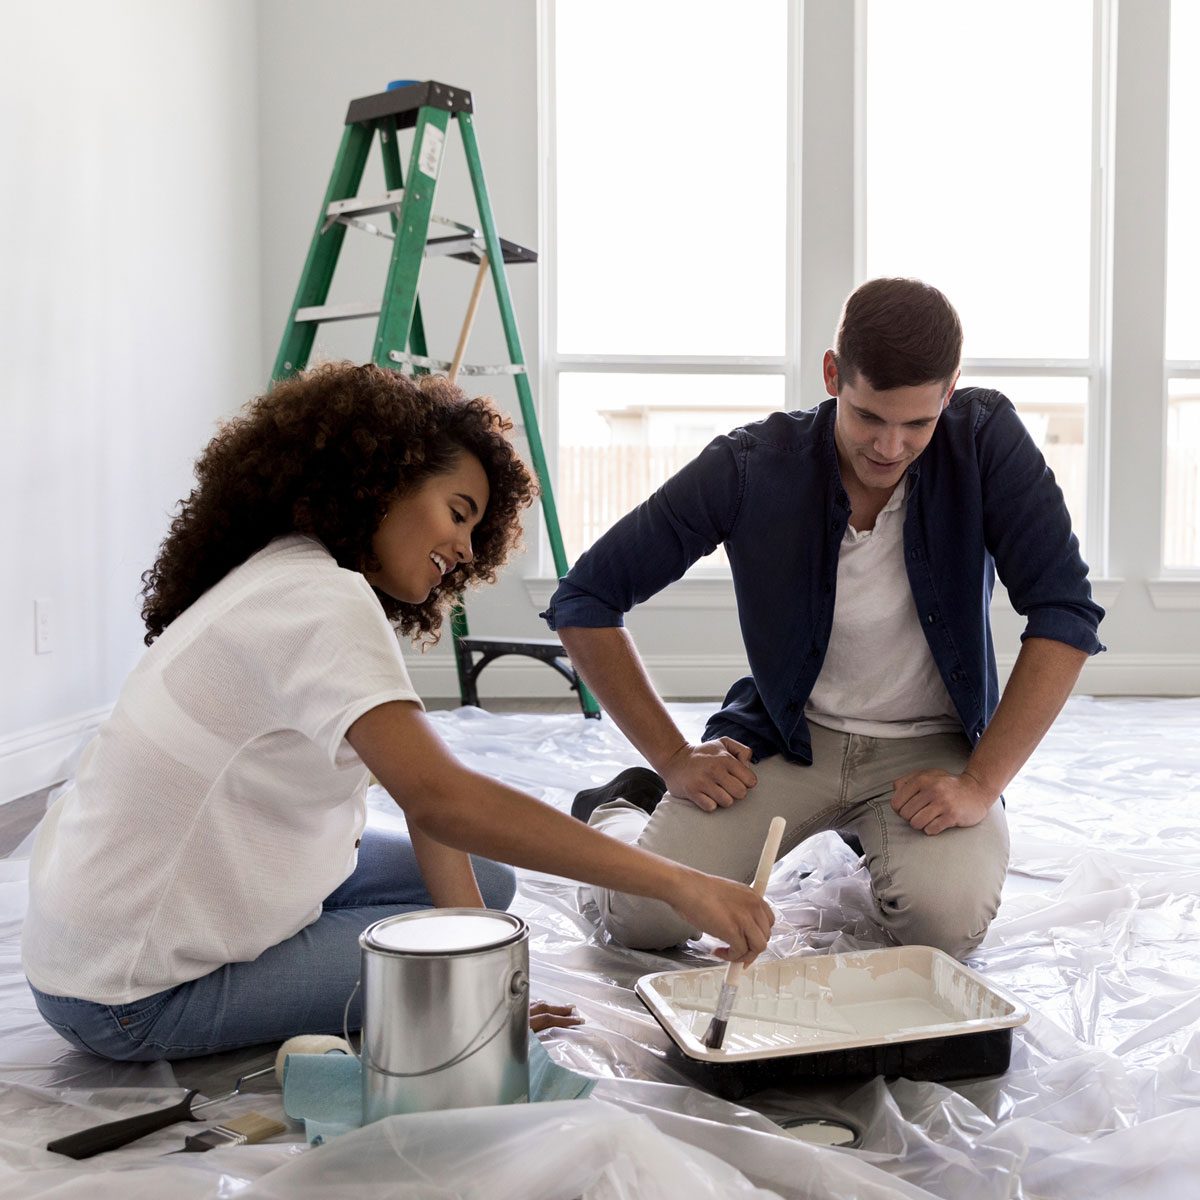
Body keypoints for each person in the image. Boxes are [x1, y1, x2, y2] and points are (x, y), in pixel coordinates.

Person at [21, 362, 773, 1062]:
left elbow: (429, 806)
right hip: (127, 993)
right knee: (448, 963)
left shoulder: (291, 572)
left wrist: (481, 974)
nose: (465, 546)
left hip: (109, 930)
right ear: (380, 480)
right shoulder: (321, 599)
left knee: (491, 891)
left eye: (477, 529)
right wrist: (678, 882)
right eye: (457, 511)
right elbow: (442, 799)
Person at [542, 278, 1105, 961]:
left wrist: (981, 784)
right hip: (786, 742)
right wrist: (670, 757)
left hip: (930, 750)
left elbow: (1065, 609)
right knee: (641, 922)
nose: (891, 448)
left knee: (943, 928)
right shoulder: (750, 465)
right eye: (869, 417)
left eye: (917, 424)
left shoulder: (986, 439)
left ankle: (875, 834)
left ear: (949, 393)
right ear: (833, 374)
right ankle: (625, 809)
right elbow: (587, 598)